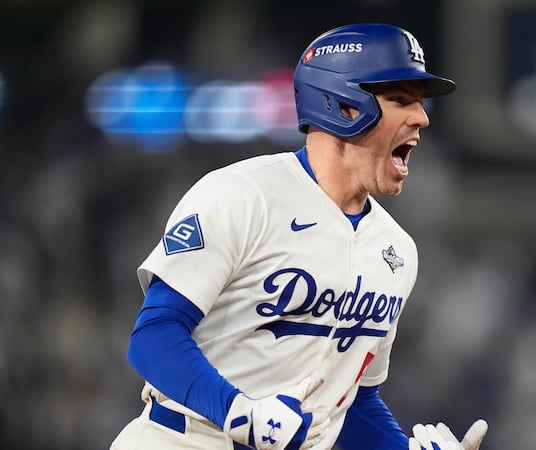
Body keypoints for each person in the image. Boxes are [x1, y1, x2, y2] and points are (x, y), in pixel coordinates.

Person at [110, 22, 487, 450]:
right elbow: (155, 334)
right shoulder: (243, 194)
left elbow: (353, 401)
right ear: (344, 105)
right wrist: (242, 414)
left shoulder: (397, 250)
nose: (421, 117)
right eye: (401, 100)